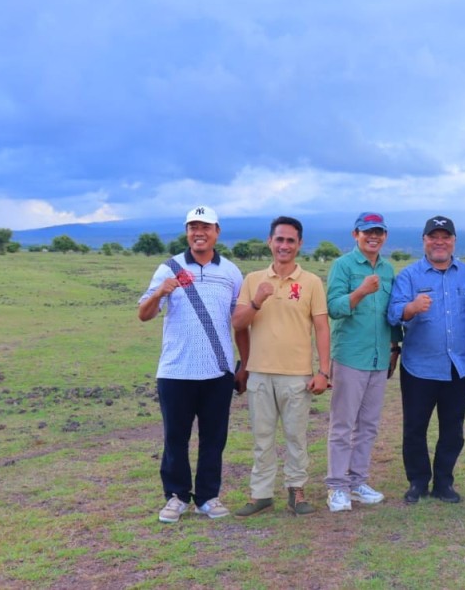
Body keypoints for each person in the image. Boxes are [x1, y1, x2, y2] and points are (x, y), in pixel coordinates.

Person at [138, 205, 250, 524]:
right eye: (192, 227)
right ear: (187, 232)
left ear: (217, 232)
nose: (198, 232)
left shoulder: (230, 271)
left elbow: (240, 322)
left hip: (218, 371)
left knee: (214, 438)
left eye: (205, 227)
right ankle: (175, 496)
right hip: (175, 371)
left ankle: (207, 497)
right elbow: (144, 315)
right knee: (176, 437)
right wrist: (161, 290)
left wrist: (244, 365)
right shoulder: (168, 268)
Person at [231, 216, 331, 516]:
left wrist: (323, 371)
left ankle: (296, 492)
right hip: (259, 373)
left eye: (291, 240)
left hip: (297, 375)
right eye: (279, 239)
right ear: (269, 242)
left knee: (296, 436)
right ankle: (260, 494)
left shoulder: (311, 282)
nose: (284, 245)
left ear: (299, 245)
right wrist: (257, 301)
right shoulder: (253, 280)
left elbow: (322, 327)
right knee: (262, 438)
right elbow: (237, 323)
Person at [387, 215, 465, 504]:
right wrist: (411, 307)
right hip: (419, 366)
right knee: (415, 428)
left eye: (445, 236)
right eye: (433, 236)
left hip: (458, 366)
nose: (439, 242)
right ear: (424, 240)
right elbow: (393, 313)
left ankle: (444, 483)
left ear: (454, 241)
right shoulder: (409, 275)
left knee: (452, 429)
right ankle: (417, 481)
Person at [324, 212, 402, 513]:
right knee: (343, 425)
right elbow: (334, 308)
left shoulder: (387, 268)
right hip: (350, 357)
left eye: (379, 232)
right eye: (368, 231)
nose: (374, 236)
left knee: (368, 425)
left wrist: (394, 348)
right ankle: (336, 486)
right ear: (356, 234)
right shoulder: (342, 265)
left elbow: (390, 314)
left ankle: (357, 482)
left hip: (378, 357)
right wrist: (360, 292)